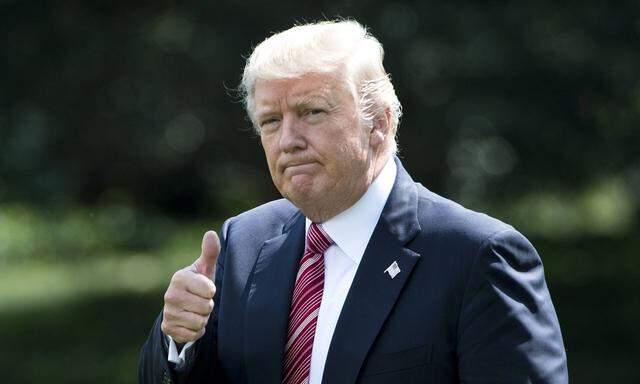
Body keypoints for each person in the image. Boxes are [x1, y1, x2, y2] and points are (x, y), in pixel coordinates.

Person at [139, 20, 568, 384]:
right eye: (271, 121)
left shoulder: (478, 256)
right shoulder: (243, 243)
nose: (288, 140)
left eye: (312, 112)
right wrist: (177, 338)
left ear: (379, 123)